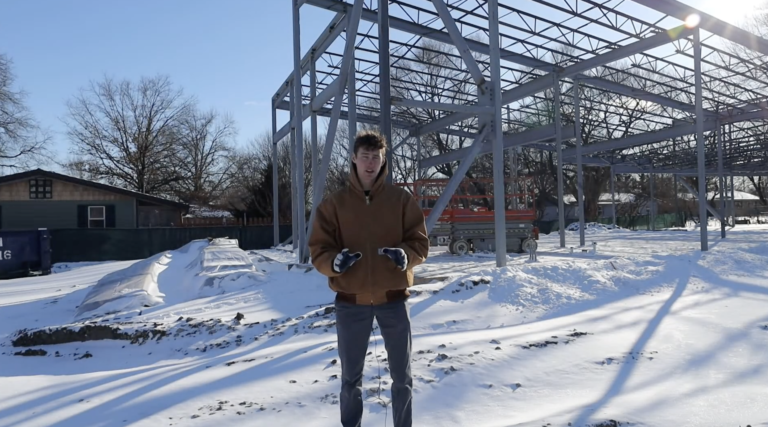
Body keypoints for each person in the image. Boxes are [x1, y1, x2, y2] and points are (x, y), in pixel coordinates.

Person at [308, 130, 430, 427]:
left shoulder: (400, 200)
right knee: (350, 379)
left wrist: (404, 256)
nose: (371, 163)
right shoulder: (333, 204)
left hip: (394, 302)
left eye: (376, 157)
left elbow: (419, 243)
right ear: (354, 158)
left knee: (402, 377)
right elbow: (318, 250)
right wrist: (335, 263)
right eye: (365, 157)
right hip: (351, 304)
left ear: (383, 160)